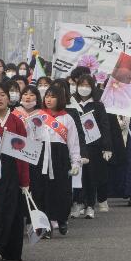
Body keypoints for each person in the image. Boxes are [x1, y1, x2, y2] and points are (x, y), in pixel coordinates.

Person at [0, 83, 31, 261]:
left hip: (12, 171)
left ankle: (6, 249)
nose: (0, 98)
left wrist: (24, 180)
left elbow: (24, 153)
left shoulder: (17, 121)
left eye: (3, 94)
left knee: (10, 210)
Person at [32, 84, 82, 236]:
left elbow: (73, 143)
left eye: (53, 96)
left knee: (61, 191)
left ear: (60, 99)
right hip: (41, 157)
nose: (48, 99)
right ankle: (44, 225)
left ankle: (61, 219)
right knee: (41, 191)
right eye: (47, 96)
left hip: (59, 157)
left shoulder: (68, 118)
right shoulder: (37, 116)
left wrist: (75, 162)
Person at [72, 73, 113, 216]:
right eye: (81, 85)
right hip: (76, 146)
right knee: (77, 175)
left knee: (91, 175)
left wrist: (106, 147)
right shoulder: (72, 104)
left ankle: (90, 204)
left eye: (87, 85)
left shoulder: (98, 105)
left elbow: (105, 126)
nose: (84, 88)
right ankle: (78, 203)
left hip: (93, 146)